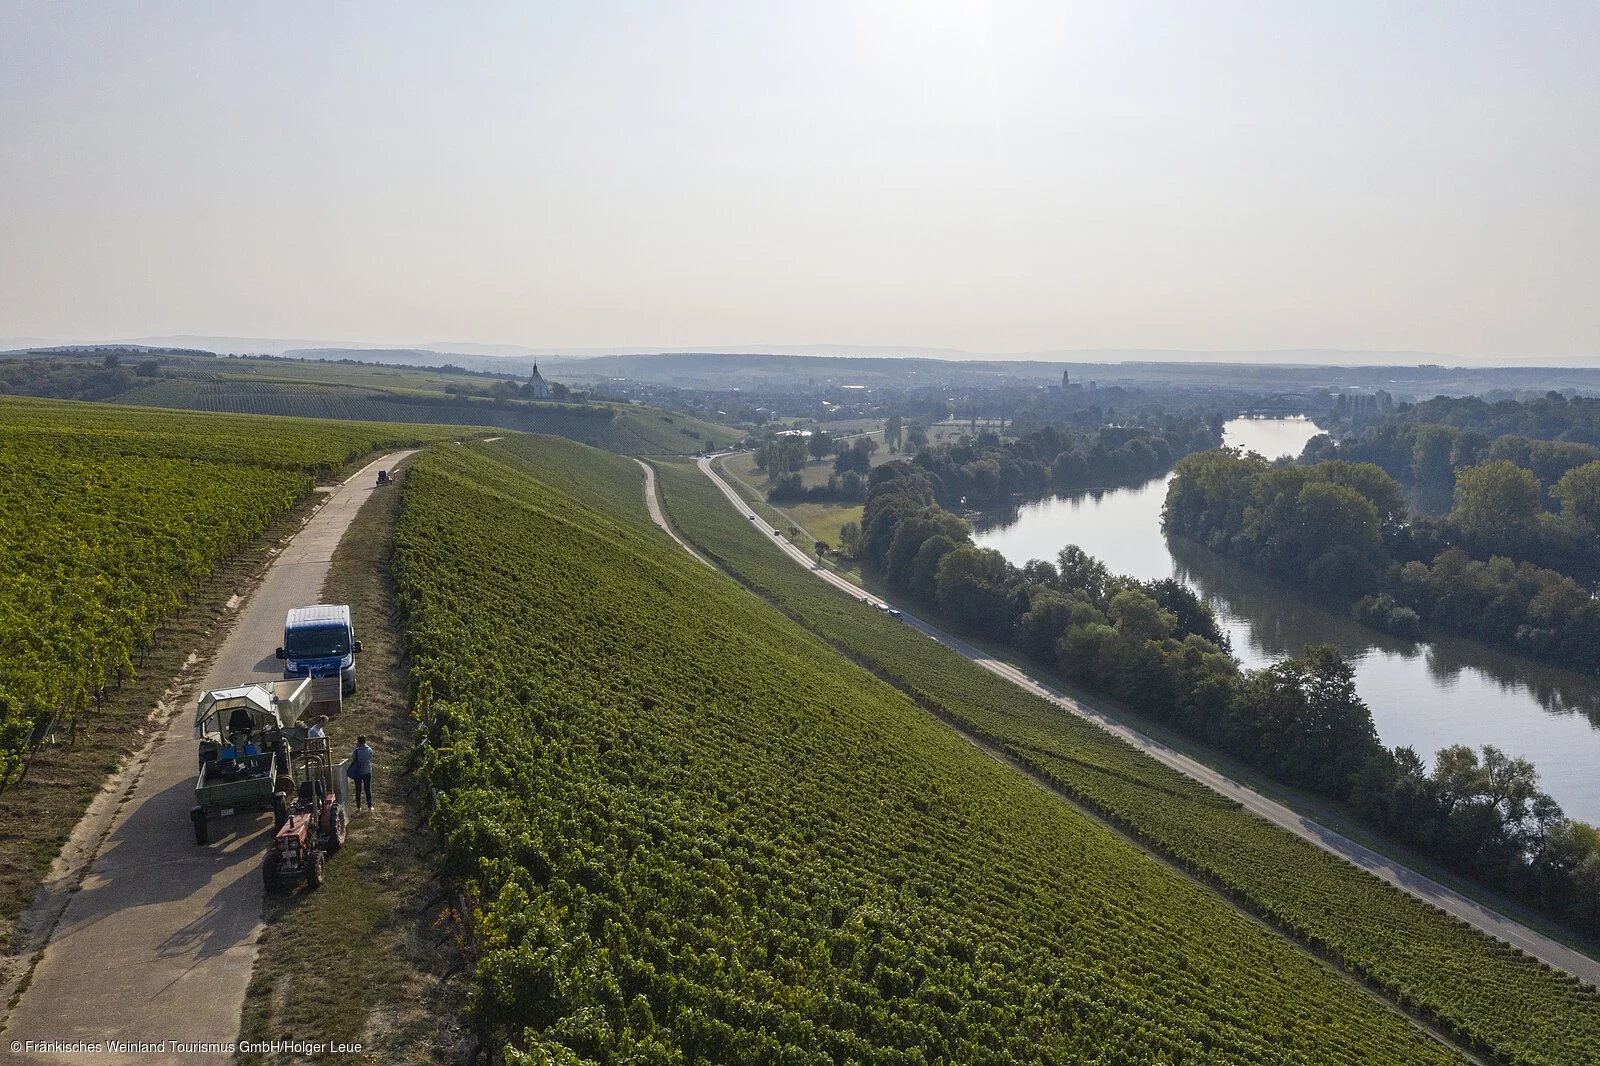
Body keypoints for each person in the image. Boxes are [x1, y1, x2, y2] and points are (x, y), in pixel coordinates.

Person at [348, 735, 374, 810]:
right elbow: (370, 756)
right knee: (368, 789)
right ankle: (370, 806)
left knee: (358, 790)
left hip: (358, 772)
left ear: (358, 741)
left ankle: (358, 806)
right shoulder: (369, 750)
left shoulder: (356, 751)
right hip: (367, 771)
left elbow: (353, 757)